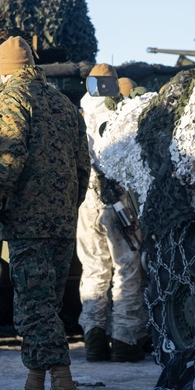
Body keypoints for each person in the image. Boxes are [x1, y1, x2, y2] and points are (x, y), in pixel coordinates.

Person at [0, 36, 90, 390]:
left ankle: (64, 386)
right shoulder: (63, 103)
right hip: (60, 221)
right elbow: (83, 167)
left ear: (2, 67)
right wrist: (65, 208)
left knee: (34, 308)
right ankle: (34, 386)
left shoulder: (12, 98)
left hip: (28, 221)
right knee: (46, 304)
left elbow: (8, 156)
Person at [77, 64, 149, 363]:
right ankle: (124, 339)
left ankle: (94, 336)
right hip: (117, 199)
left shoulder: (81, 111)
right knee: (127, 269)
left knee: (94, 269)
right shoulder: (122, 111)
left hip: (87, 201)